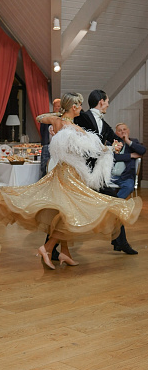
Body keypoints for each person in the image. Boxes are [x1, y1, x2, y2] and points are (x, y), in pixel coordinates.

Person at [0, 93, 141, 269]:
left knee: (63, 212)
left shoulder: (56, 121)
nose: (81, 108)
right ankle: (47, 248)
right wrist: (111, 148)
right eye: (79, 105)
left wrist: (57, 115)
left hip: (61, 172)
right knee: (71, 214)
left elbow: (40, 118)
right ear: (74, 107)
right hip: (71, 175)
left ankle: (65, 252)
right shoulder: (74, 128)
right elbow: (95, 148)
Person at [75, 89, 139, 255]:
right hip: (81, 173)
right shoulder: (82, 117)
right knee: (68, 208)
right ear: (101, 101)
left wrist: (117, 145)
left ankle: (120, 241)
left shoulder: (103, 123)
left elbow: (113, 139)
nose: (109, 104)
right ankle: (50, 247)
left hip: (96, 175)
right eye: (108, 101)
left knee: (115, 204)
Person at [111, 122, 146, 199]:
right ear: (116, 133)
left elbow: (142, 151)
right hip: (110, 176)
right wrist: (131, 155)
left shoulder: (133, 142)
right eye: (120, 130)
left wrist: (127, 141)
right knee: (98, 185)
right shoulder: (112, 143)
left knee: (129, 186)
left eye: (124, 129)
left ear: (128, 131)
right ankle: (112, 202)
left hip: (126, 176)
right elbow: (113, 157)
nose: (123, 131)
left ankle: (115, 202)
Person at [40, 98, 61, 177]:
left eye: (59, 106)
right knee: (44, 167)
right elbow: (42, 130)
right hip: (47, 146)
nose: (57, 108)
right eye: (55, 106)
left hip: (58, 148)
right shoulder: (47, 117)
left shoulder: (63, 119)